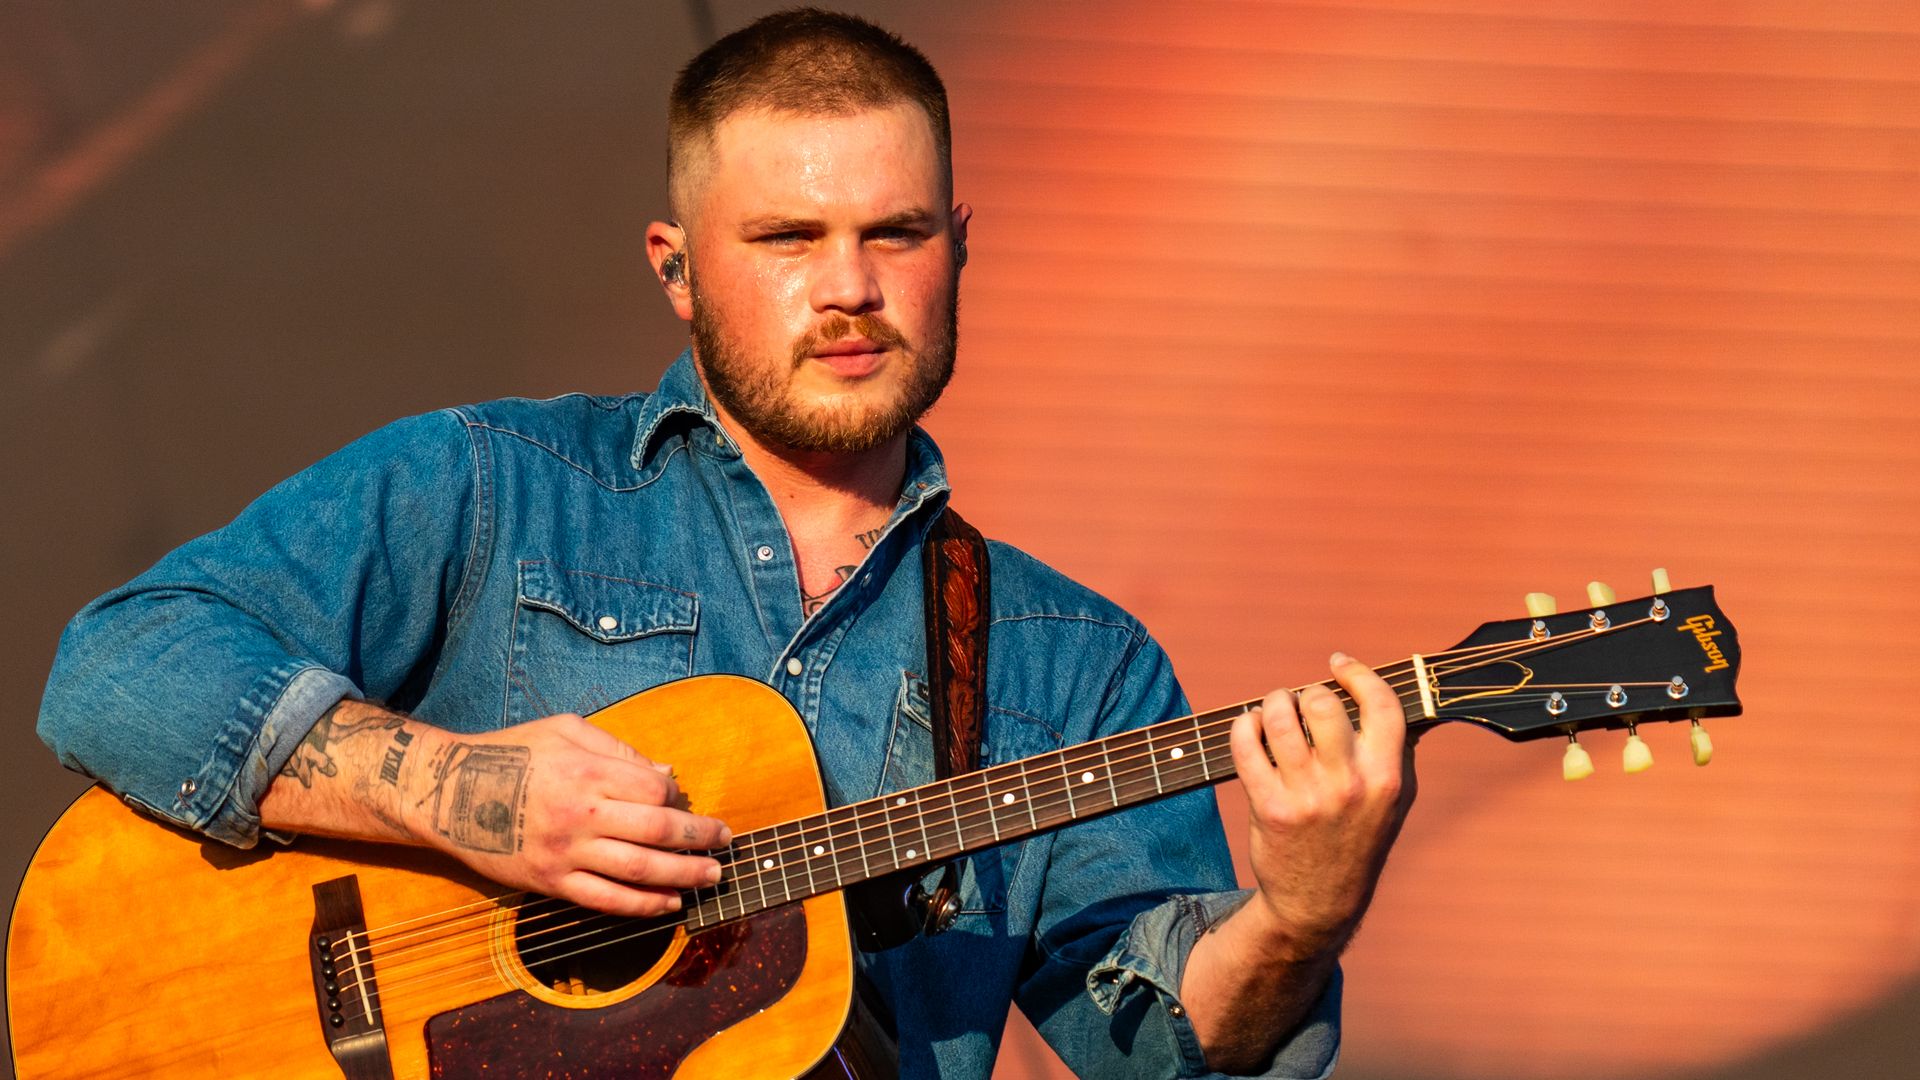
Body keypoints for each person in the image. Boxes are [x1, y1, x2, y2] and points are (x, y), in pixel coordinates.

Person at [38, 9, 1414, 1078]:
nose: (851, 288)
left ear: (962, 248)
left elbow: (1165, 1050)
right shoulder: (484, 484)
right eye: (786, 237)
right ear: (675, 266)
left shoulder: (1074, 667)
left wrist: (1297, 917)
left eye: (898, 231)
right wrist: (452, 790)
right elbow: (117, 667)